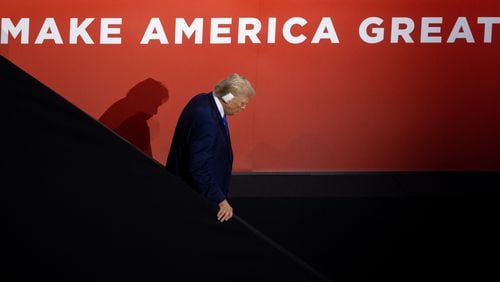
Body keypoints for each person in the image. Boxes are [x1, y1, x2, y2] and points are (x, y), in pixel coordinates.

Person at [166, 73, 255, 222]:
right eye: (241, 103)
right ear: (229, 98)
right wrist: (219, 199)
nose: (244, 107)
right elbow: (198, 167)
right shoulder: (206, 119)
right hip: (195, 199)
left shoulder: (202, 100)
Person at [99, 78, 169, 157]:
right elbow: (146, 161)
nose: (155, 112)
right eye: (155, 105)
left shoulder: (122, 108)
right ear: (146, 99)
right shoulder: (136, 121)